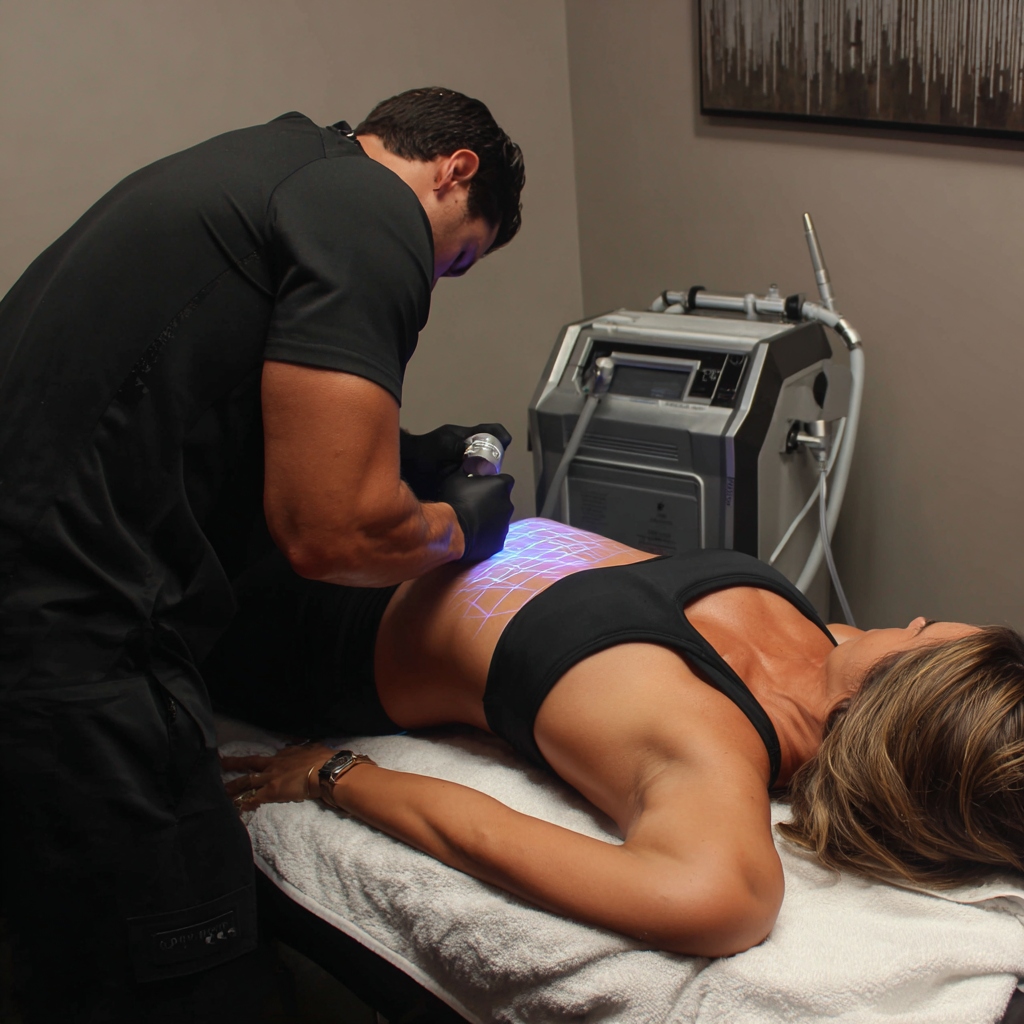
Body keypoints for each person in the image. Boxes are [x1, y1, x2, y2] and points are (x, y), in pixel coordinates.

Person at [0, 88, 523, 1021]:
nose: (437, 277)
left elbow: (209, 412)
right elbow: (333, 533)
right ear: (455, 171)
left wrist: (411, 459)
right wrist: (458, 527)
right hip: (75, 644)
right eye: (457, 258)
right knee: (194, 979)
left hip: (34, 596)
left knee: (56, 955)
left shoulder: (262, 170)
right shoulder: (371, 206)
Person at [215, 518, 1024, 956]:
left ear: (886, 702)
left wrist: (337, 775)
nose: (915, 618)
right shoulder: (831, 653)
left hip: (298, 622)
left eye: (921, 636)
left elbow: (713, 899)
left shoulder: (704, 746)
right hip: (392, 531)